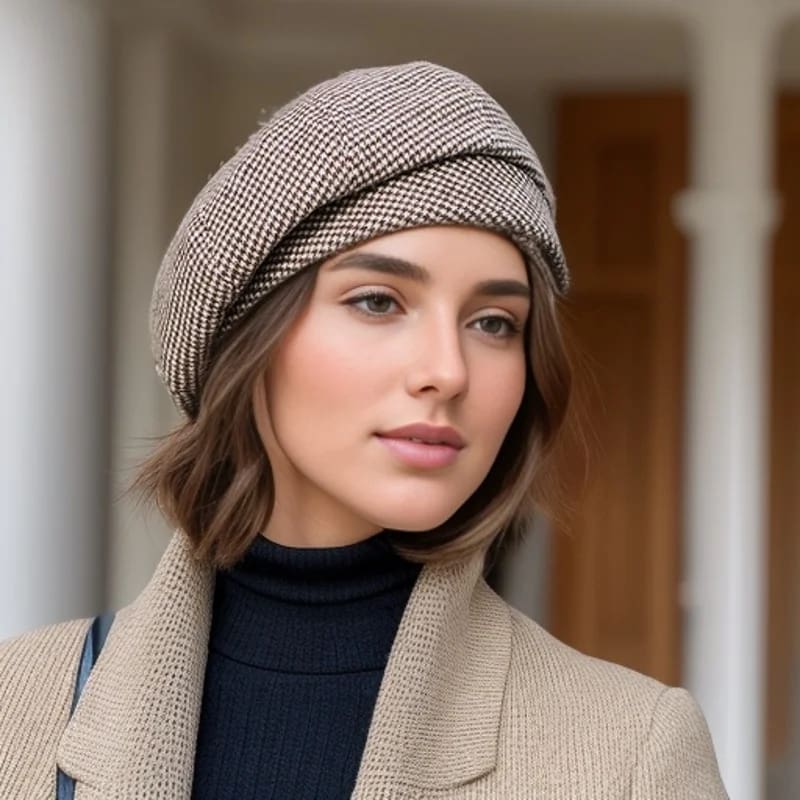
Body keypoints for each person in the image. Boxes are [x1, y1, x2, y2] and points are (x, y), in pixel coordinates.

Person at [0, 61, 728, 799]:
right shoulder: (15, 706)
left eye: (493, 322)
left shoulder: (630, 749)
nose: (448, 370)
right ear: (248, 334)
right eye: (379, 302)